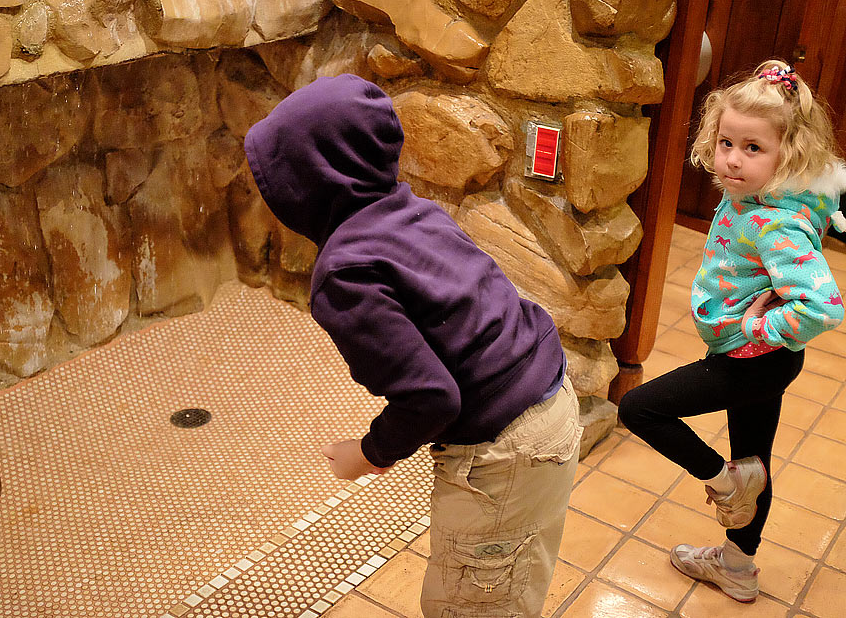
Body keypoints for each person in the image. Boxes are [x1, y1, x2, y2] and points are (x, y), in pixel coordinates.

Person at [243, 73, 582, 618]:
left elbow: (431, 398)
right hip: (552, 399)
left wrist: (368, 455)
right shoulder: (413, 211)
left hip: (505, 446)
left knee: (467, 606)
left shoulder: (346, 273)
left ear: (311, 183)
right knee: (513, 583)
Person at [619, 60, 846, 602]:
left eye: (752, 148)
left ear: (788, 155)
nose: (732, 160)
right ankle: (739, 567)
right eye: (726, 142)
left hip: (751, 358)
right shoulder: (750, 194)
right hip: (762, 358)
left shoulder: (776, 221)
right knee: (756, 459)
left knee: (639, 408)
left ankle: (725, 483)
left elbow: (824, 305)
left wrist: (756, 326)